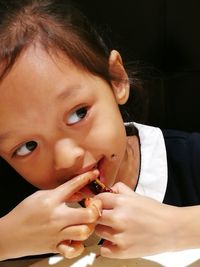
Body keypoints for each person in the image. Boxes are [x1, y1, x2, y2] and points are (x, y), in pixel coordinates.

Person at [0, 0, 200, 262]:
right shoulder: (16, 204)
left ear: (116, 79)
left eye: (78, 113)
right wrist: (8, 238)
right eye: (27, 147)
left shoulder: (188, 160)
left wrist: (179, 227)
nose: (66, 158)